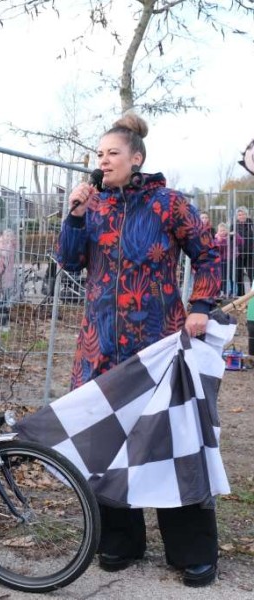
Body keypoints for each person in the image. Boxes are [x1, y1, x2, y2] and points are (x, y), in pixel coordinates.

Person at [57, 112, 220, 587]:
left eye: (112, 153)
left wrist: (201, 304)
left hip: (159, 344)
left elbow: (207, 253)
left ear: (137, 158)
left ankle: (191, 549)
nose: (103, 161)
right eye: (99, 154)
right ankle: (120, 541)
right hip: (101, 347)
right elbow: (68, 261)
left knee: (170, 442)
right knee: (108, 443)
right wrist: (75, 214)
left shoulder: (168, 204)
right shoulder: (94, 207)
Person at [215, 223, 242, 296]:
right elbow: (218, 249)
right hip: (222, 260)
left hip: (232, 259)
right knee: (223, 276)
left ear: (227, 230)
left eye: (224, 230)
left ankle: (233, 292)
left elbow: (241, 242)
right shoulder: (217, 238)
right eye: (221, 231)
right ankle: (223, 292)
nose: (223, 232)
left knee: (232, 276)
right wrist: (221, 241)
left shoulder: (231, 236)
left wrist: (236, 235)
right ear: (218, 231)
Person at [235, 206, 254, 296]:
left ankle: (252, 294)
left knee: (252, 274)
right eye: (239, 215)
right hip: (238, 254)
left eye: (243, 214)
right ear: (237, 216)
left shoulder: (251, 225)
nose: (241, 216)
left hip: (250, 254)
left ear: (246, 215)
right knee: (238, 275)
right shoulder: (234, 226)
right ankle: (240, 295)